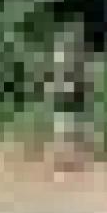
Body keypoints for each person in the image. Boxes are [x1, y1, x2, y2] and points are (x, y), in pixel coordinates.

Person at [46, 25, 90, 165]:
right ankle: (65, 158)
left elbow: (81, 80)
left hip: (73, 98)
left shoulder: (75, 60)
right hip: (66, 98)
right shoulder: (65, 58)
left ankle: (71, 158)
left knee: (72, 129)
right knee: (65, 129)